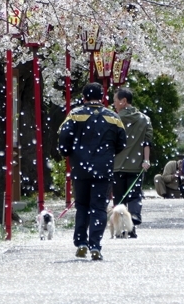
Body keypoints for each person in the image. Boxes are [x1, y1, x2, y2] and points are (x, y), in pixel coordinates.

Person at [58, 82, 126, 260]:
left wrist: (69, 152)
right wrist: (108, 154)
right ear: (102, 96)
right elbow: (122, 142)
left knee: (82, 205)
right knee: (98, 207)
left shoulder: (74, 115)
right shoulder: (113, 117)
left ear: (84, 97)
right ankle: (95, 245)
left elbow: (64, 136)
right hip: (103, 168)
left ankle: (81, 242)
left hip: (80, 168)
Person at [111, 86, 152, 238]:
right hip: (136, 166)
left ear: (123, 101)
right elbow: (147, 142)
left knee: (119, 199)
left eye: (115, 100)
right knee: (135, 196)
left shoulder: (115, 119)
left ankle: (122, 229)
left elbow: (110, 142)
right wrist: (146, 160)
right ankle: (134, 218)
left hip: (117, 165)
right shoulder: (145, 119)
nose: (114, 104)